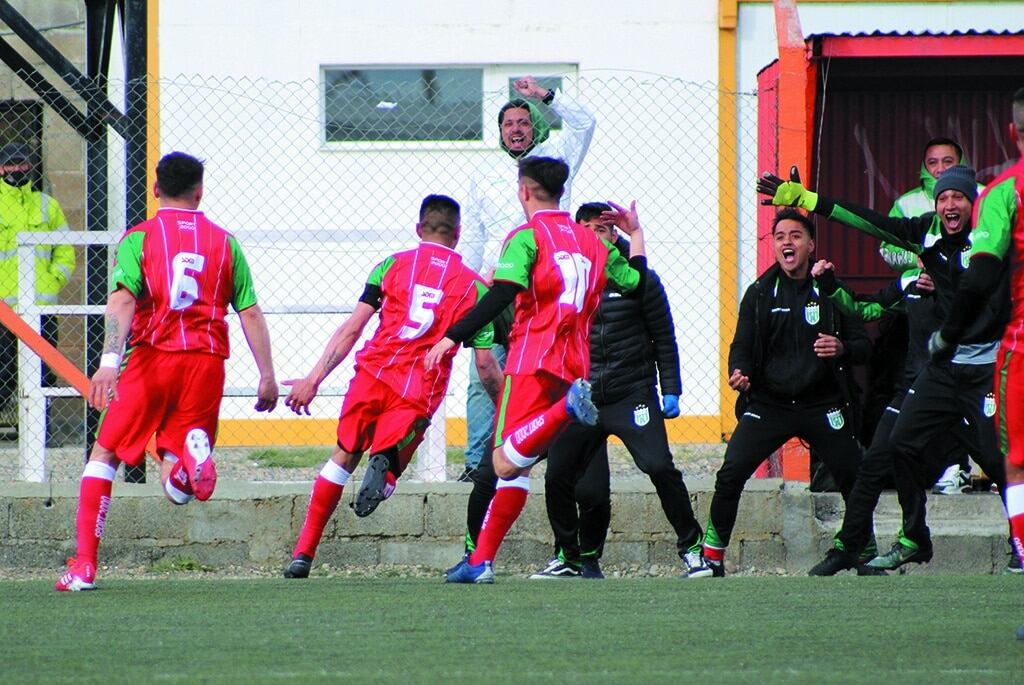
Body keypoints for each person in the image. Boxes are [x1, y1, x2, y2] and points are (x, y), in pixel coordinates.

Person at [757, 164, 1010, 571]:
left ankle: (1019, 543)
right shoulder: (923, 240)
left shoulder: (990, 238)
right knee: (894, 449)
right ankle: (904, 538)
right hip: (937, 375)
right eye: (943, 197)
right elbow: (871, 227)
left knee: (1001, 462)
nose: (950, 204)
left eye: (958, 197)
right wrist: (810, 201)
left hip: (986, 371)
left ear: (973, 204)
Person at [55, 152, 278, 591]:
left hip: (152, 358)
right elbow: (249, 312)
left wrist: (107, 364)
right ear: (200, 191)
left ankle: (84, 566)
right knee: (176, 487)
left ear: (155, 189)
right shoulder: (225, 242)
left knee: (104, 456)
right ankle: (184, 460)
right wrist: (267, 374)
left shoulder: (139, 237)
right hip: (207, 362)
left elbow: (123, 301)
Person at [427, 156, 646, 584]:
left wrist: (453, 334)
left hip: (531, 363)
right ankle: (480, 563)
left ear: (523, 190)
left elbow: (501, 295)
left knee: (503, 463)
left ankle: (564, 410)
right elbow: (637, 282)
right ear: (560, 192)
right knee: (519, 469)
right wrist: (634, 233)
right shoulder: (593, 241)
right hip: (574, 366)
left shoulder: (526, 236)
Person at [282, 194, 504, 579]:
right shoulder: (474, 289)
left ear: (419, 229)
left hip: (372, 373)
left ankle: (303, 552)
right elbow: (485, 364)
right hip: (419, 386)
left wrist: (313, 379)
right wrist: (508, 407)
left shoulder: (390, 266)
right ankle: (385, 471)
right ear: (459, 234)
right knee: (391, 457)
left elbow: (353, 327)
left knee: (344, 454)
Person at [529, 202, 709, 579]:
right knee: (569, 480)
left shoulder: (640, 279)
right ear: (577, 232)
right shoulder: (564, 280)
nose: (598, 237)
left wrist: (670, 389)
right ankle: (575, 556)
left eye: (605, 229)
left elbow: (664, 337)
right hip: (582, 398)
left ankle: (693, 549)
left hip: (633, 394)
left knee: (659, 466)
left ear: (617, 234)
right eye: (590, 229)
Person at [700, 209, 870, 576]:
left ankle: (863, 550)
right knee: (730, 473)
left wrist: (842, 348)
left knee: (853, 475)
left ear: (811, 245)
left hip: (823, 403)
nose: (787, 242)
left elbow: (863, 344)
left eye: (795, 235)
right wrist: (739, 372)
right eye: (780, 236)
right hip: (769, 404)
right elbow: (740, 345)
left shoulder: (830, 290)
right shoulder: (760, 292)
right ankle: (711, 557)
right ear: (773, 245)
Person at [460, 76, 596, 478]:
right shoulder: (484, 173)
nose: (515, 129)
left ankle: (549, 455)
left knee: (547, 373)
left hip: (545, 288)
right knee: (483, 371)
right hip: (496, 286)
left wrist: (543, 96)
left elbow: (585, 123)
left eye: (523, 122)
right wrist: (469, 284)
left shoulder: (556, 157)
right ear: (499, 131)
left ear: (534, 126)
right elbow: (473, 234)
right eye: (508, 124)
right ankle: (478, 463)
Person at [805, 260, 975, 575]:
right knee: (874, 463)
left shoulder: (975, 274)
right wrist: (829, 284)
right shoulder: (910, 281)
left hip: (967, 386)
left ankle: (1018, 546)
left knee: (998, 461)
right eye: (923, 248)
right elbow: (863, 308)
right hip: (914, 390)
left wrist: (948, 292)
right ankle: (850, 547)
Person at [928, 88, 1024, 599]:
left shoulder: (1005, 191)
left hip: (1016, 348)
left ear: (1012, 132)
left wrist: (948, 332)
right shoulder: (931, 232)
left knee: (1014, 461)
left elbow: (983, 270)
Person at [881, 137, 982, 495]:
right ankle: (950, 468)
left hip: (977, 320)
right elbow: (886, 247)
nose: (939, 169)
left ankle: (984, 469)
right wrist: (918, 262)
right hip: (925, 311)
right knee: (930, 388)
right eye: (933, 162)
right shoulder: (907, 203)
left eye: (947, 161)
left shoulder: (986, 196)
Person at [0, 142, 76, 435]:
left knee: (42, 373)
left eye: (21, 164)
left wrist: (54, 278)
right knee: (4, 374)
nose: (16, 170)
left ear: (30, 167)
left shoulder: (47, 204)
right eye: (10, 165)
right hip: (5, 309)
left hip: (42, 308)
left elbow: (65, 250)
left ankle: (37, 433)